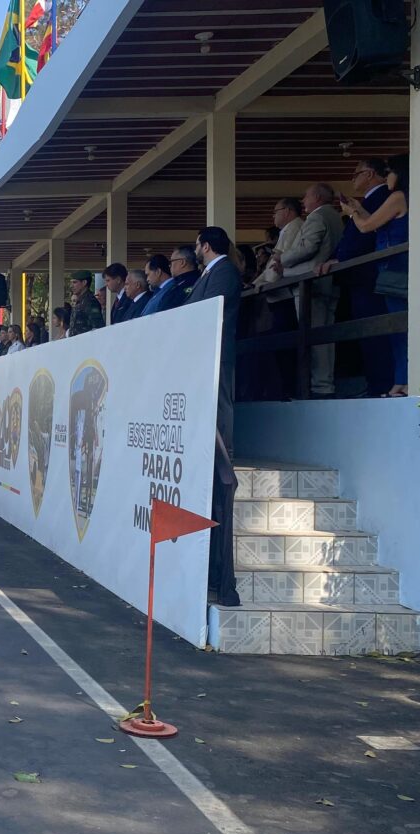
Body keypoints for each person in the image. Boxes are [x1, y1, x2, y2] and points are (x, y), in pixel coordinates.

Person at [189, 226, 243, 607]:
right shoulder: (210, 273)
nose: (195, 250)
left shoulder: (225, 273)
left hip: (217, 354)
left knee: (221, 403)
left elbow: (212, 311)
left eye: (196, 245)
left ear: (207, 246)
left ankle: (225, 444)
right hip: (201, 354)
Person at [323, 158, 395, 396]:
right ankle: (375, 382)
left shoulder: (383, 196)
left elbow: (364, 234)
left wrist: (342, 259)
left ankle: (380, 384)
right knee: (367, 334)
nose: (353, 179)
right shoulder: (370, 200)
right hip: (361, 277)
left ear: (370, 174)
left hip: (369, 276)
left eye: (356, 174)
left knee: (375, 332)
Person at [341, 153, 411, 396]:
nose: (387, 177)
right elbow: (373, 220)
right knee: (400, 327)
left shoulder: (398, 196)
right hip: (400, 268)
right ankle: (401, 380)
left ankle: (403, 380)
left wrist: (351, 213)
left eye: (390, 172)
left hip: (394, 269)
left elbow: (366, 226)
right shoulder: (410, 197)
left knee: (399, 327)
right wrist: (359, 208)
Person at [280, 183, 345, 397]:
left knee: (314, 337)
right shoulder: (335, 216)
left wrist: (283, 259)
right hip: (331, 284)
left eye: (306, 196)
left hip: (312, 285)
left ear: (317, 197)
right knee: (326, 336)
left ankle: (319, 386)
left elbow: (308, 247)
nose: (303, 200)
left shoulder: (317, 216)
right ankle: (325, 383)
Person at [68, 271, 103, 336]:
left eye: (74, 282)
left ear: (84, 283)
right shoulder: (80, 300)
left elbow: (97, 327)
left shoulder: (90, 302)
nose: (71, 286)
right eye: (71, 283)